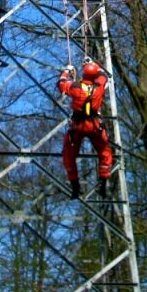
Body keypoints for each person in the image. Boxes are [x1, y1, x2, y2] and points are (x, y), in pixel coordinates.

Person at [58, 58, 112, 199]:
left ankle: (75, 187)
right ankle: (103, 183)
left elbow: (61, 84)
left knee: (69, 154)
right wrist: (93, 64)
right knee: (105, 152)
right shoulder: (99, 86)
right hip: (94, 126)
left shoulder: (75, 86)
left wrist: (66, 72)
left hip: (79, 126)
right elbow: (103, 75)